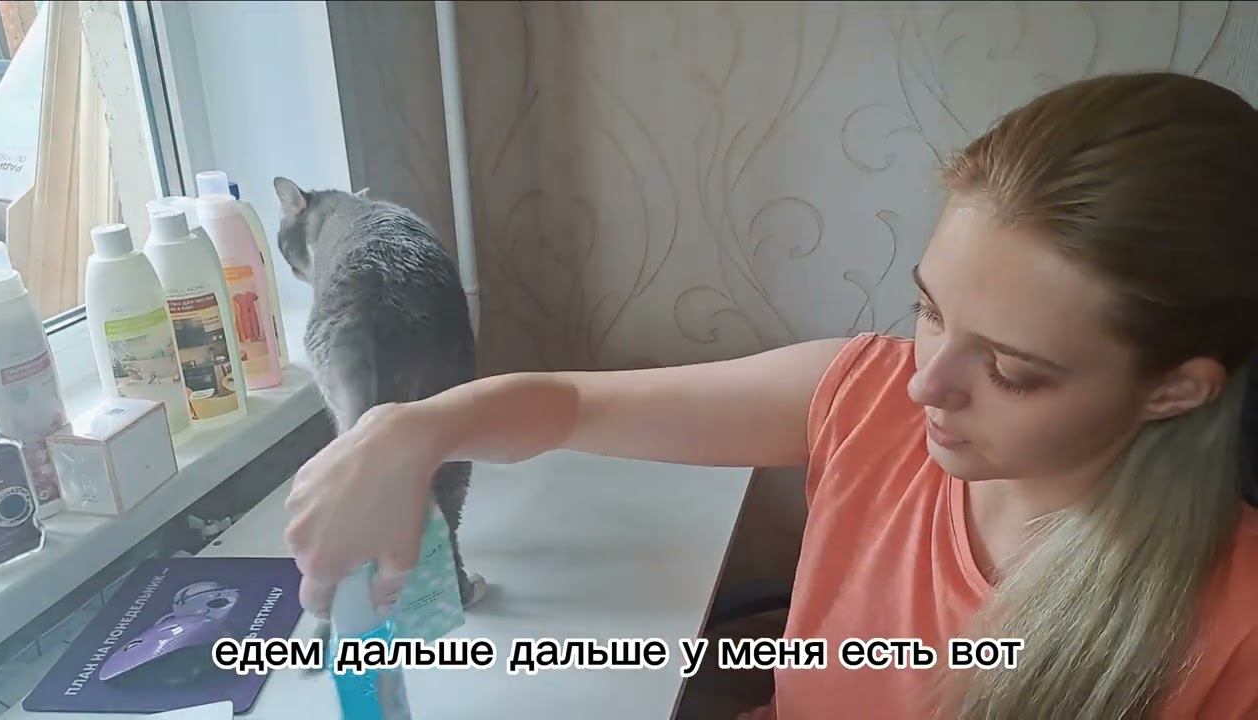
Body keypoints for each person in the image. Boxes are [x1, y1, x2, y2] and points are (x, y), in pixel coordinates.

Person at [284, 71, 1258, 718]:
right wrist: (410, 428)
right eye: (927, 310)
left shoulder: (1233, 632)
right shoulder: (867, 395)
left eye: (1010, 369)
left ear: (1174, 390)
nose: (924, 382)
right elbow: (568, 406)